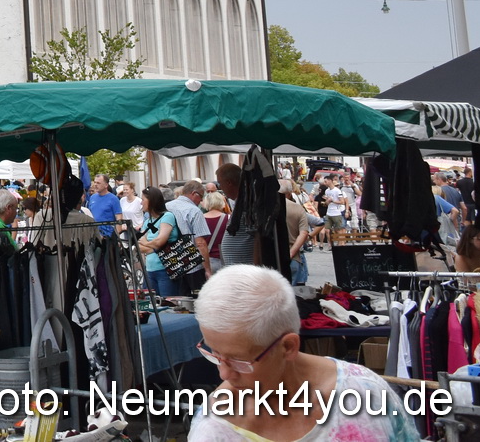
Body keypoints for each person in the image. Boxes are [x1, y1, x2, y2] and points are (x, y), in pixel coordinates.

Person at [189, 265, 417, 442]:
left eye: (239, 360)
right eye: (214, 353)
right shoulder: (215, 426)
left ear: (288, 347)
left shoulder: (365, 394)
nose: (224, 374)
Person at [139, 187, 184, 297]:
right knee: (151, 304)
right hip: (150, 270)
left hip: (166, 269)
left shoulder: (167, 216)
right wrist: (154, 247)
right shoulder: (147, 222)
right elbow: (139, 246)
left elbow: (160, 241)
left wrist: (147, 243)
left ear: (152, 200)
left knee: (168, 304)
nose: (141, 202)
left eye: (143, 199)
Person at [167, 181, 214, 283]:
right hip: (192, 267)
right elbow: (200, 243)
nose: (201, 200)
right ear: (193, 193)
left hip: (170, 264)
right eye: (201, 196)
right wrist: (208, 270)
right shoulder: (194, 211)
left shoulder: (166, 207)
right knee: (194, 298)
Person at [281, 180, 311, 285]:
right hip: (293, 257)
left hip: (272, 257)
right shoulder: (298, 209)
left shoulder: (267, 208)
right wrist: (292, 252)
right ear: (289, 193)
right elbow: (303, 233)